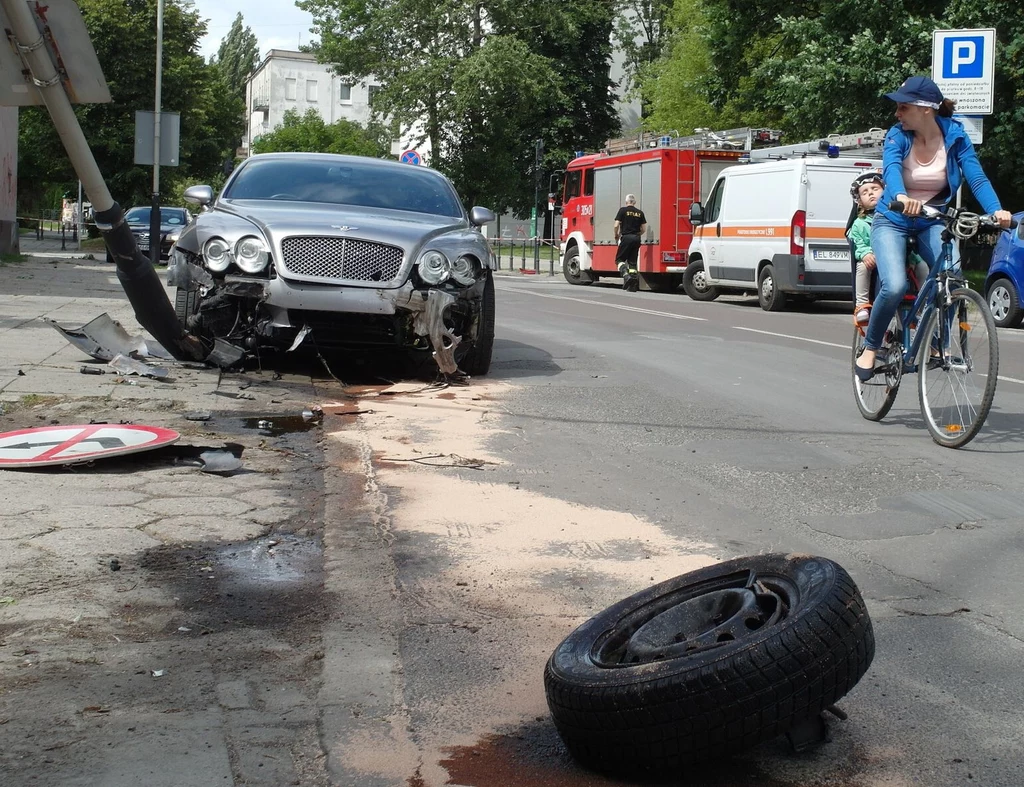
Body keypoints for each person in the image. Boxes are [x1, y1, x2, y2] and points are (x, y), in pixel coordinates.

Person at [855, 75, 1012, 381]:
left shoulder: (955, 135)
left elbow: (976, 177)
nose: (897, 114)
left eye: (903, 107)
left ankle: (936, 343)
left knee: (952, 280)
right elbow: (891, 167)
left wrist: (996, 211)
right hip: (893, 218)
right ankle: (871, 346)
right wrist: (900, 195)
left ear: (925, 109)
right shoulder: (897, 135)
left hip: (933, 219)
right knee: (896, 285)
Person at [847, 170, 928, 327]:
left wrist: (911, 258)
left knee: (923, 266)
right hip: (873, 258)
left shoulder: (899, 218)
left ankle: (922, 305)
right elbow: (857, 243)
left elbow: (907, 240)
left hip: (901, 256)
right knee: (862, 267)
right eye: (865, 192)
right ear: (860, 201)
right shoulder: (859, 223)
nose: (871, 193)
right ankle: (862, 304)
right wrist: (865, 254)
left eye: (875, 189)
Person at [614, 194, 647, 292]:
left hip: (626, 237)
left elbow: (616, 225)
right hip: (636, 238)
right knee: (632, 262)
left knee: (619, 260)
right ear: (634, 202)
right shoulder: (640, 213)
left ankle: (626, 275)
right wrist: (637, 234)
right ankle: (632, 286)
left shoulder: (622, 210)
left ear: (626, 202)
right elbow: (643, 229)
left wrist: (616, 234)